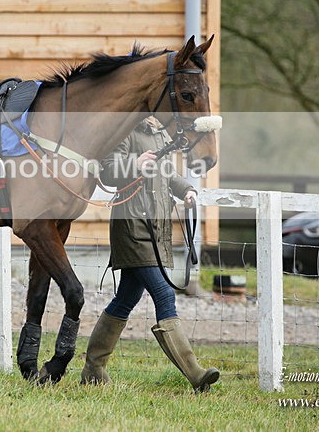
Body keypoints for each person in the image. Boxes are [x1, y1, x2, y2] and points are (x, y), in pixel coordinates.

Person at [81, 116, 220, 392]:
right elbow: (106, 171)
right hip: (132, 227)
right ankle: (195, 374)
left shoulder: (161, 135)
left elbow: (168, 174)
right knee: (164, 294)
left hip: (156, 230)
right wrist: (134, 164)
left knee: (125, 299)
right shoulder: (124, 130)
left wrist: (187, 190)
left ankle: (93, 369)